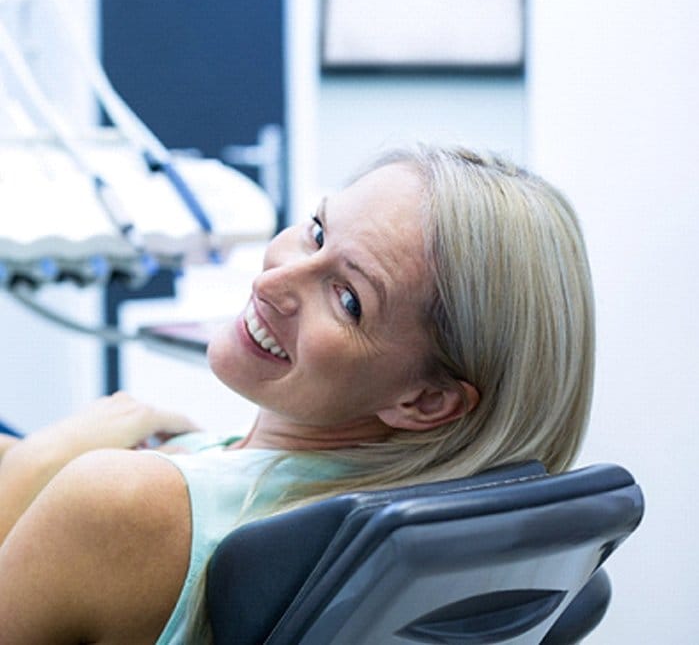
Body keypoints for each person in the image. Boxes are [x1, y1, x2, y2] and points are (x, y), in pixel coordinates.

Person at [0, 145, 594, 644]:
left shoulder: (123, 503)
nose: (270, 280)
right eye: (315, 233)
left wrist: (33, 465)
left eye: (348, 299)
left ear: (426, 401)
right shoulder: (377, 549)